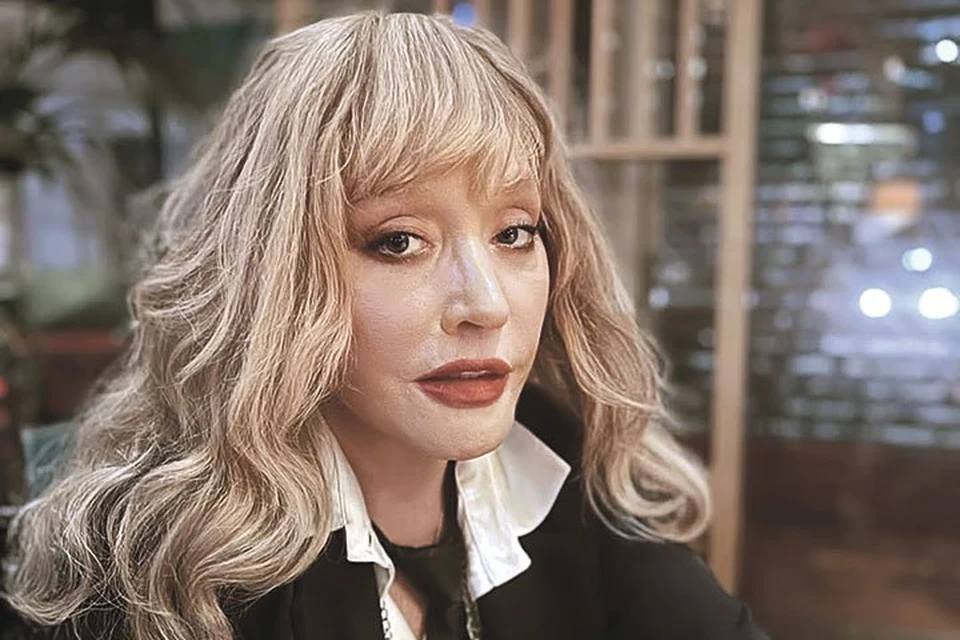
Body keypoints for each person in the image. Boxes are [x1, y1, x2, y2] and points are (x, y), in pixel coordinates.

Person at [0, 11, 767, 640]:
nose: (485, 305)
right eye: (398, 241)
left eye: (514, 233)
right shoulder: (155, 577)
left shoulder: (569, 483)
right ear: (275, 275)